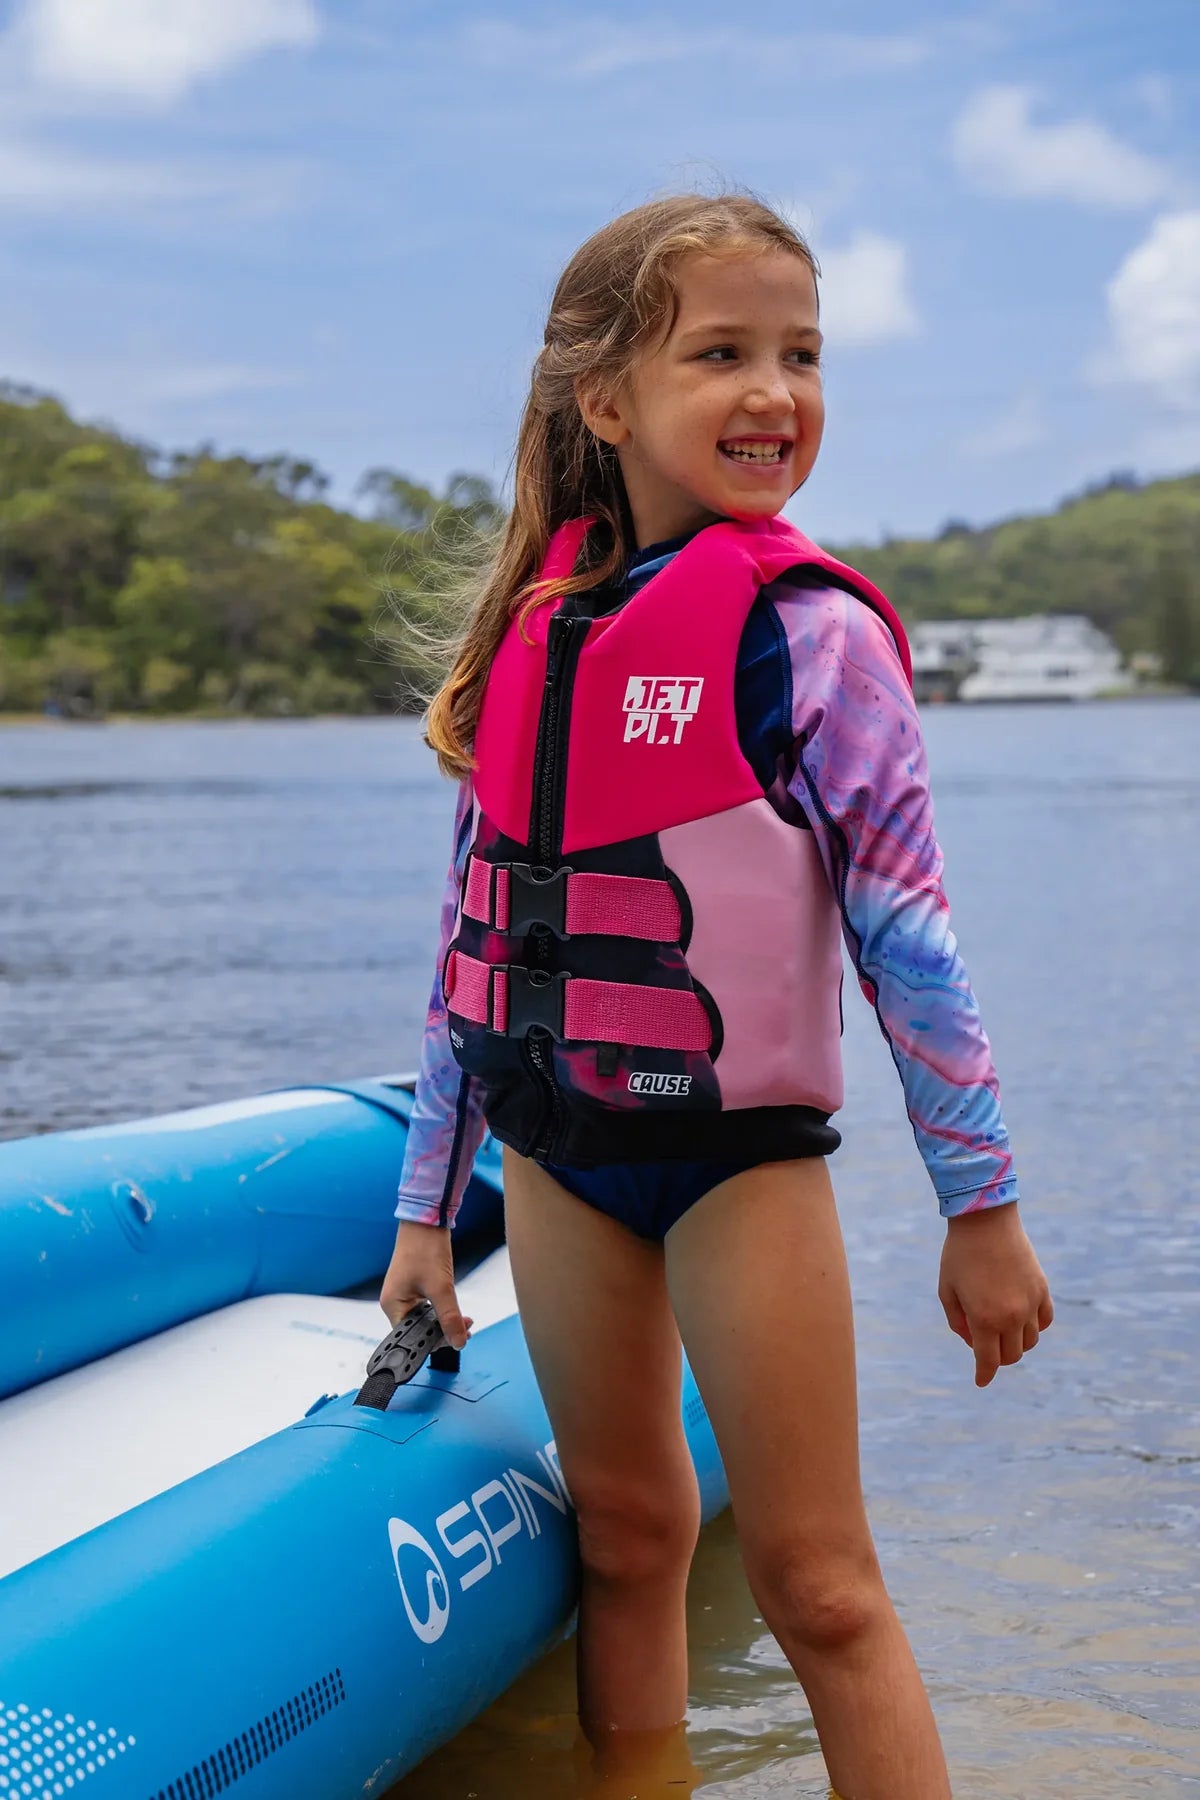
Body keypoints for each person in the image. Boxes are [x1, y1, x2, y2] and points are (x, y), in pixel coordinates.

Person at [379, 191, 1053, 1800]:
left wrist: (982, 1209)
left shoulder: (813, 640)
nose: (775, 392)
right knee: (625, 1539)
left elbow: (911, 943)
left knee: (821, 1588)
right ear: (606, 400)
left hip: (736, 1167)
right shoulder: (534, 638)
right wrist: (424, 1216)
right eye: (723, 353)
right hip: (556, 1158)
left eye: (802, 355)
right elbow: (472, 944)